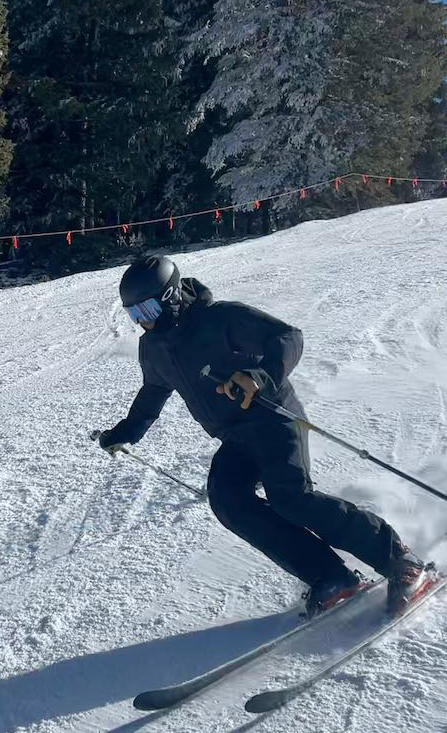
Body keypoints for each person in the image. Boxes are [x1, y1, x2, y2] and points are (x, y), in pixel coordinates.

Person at [98, 255, 429, 616]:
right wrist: (124, 432)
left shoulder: (220, 319)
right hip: (236, 437)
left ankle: (399, 559)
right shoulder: (154, 348)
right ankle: (331, 576)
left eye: (146, 309)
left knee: (292, 499)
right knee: (228, 501)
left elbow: (287, 337)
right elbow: (153, 392)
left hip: (274, 419)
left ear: (171, 296)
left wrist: (259, 377)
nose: (142, 321)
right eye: (133, 314)